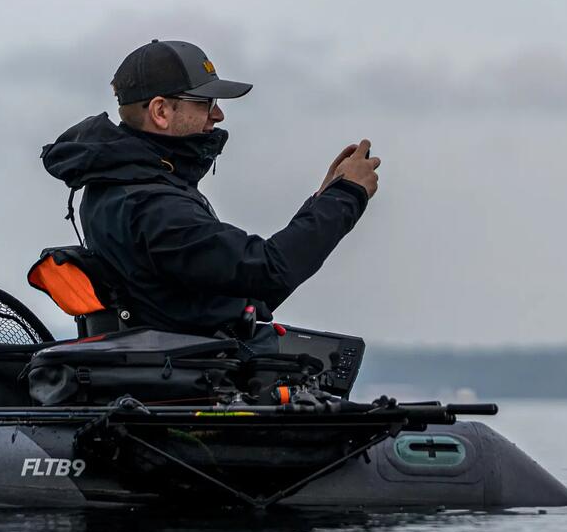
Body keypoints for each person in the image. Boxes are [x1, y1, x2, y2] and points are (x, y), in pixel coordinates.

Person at [39, 39, 380, 337]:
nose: (218, 116)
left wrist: (324, 200)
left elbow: (243, 291)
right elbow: (266, 270)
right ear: (160, 111)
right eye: (205, 103)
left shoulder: (127, 187)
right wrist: (346, 196)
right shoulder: (153, 206)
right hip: (192, 383)